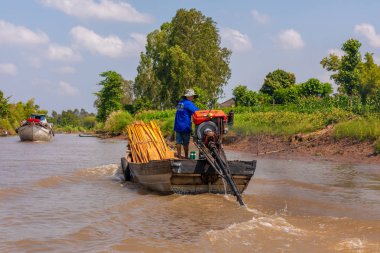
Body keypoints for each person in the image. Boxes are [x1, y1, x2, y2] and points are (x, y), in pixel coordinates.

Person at [174, 88, 199, 159]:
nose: (193, 97)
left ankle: (179, 156)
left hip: (178, 125)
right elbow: (197, 112)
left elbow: (180, 113)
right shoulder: (189, 103)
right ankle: (185, 157)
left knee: (178, 142)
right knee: (186, 143)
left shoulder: (180, 103)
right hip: (185, 126)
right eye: (192, 96)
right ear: (188, 96)